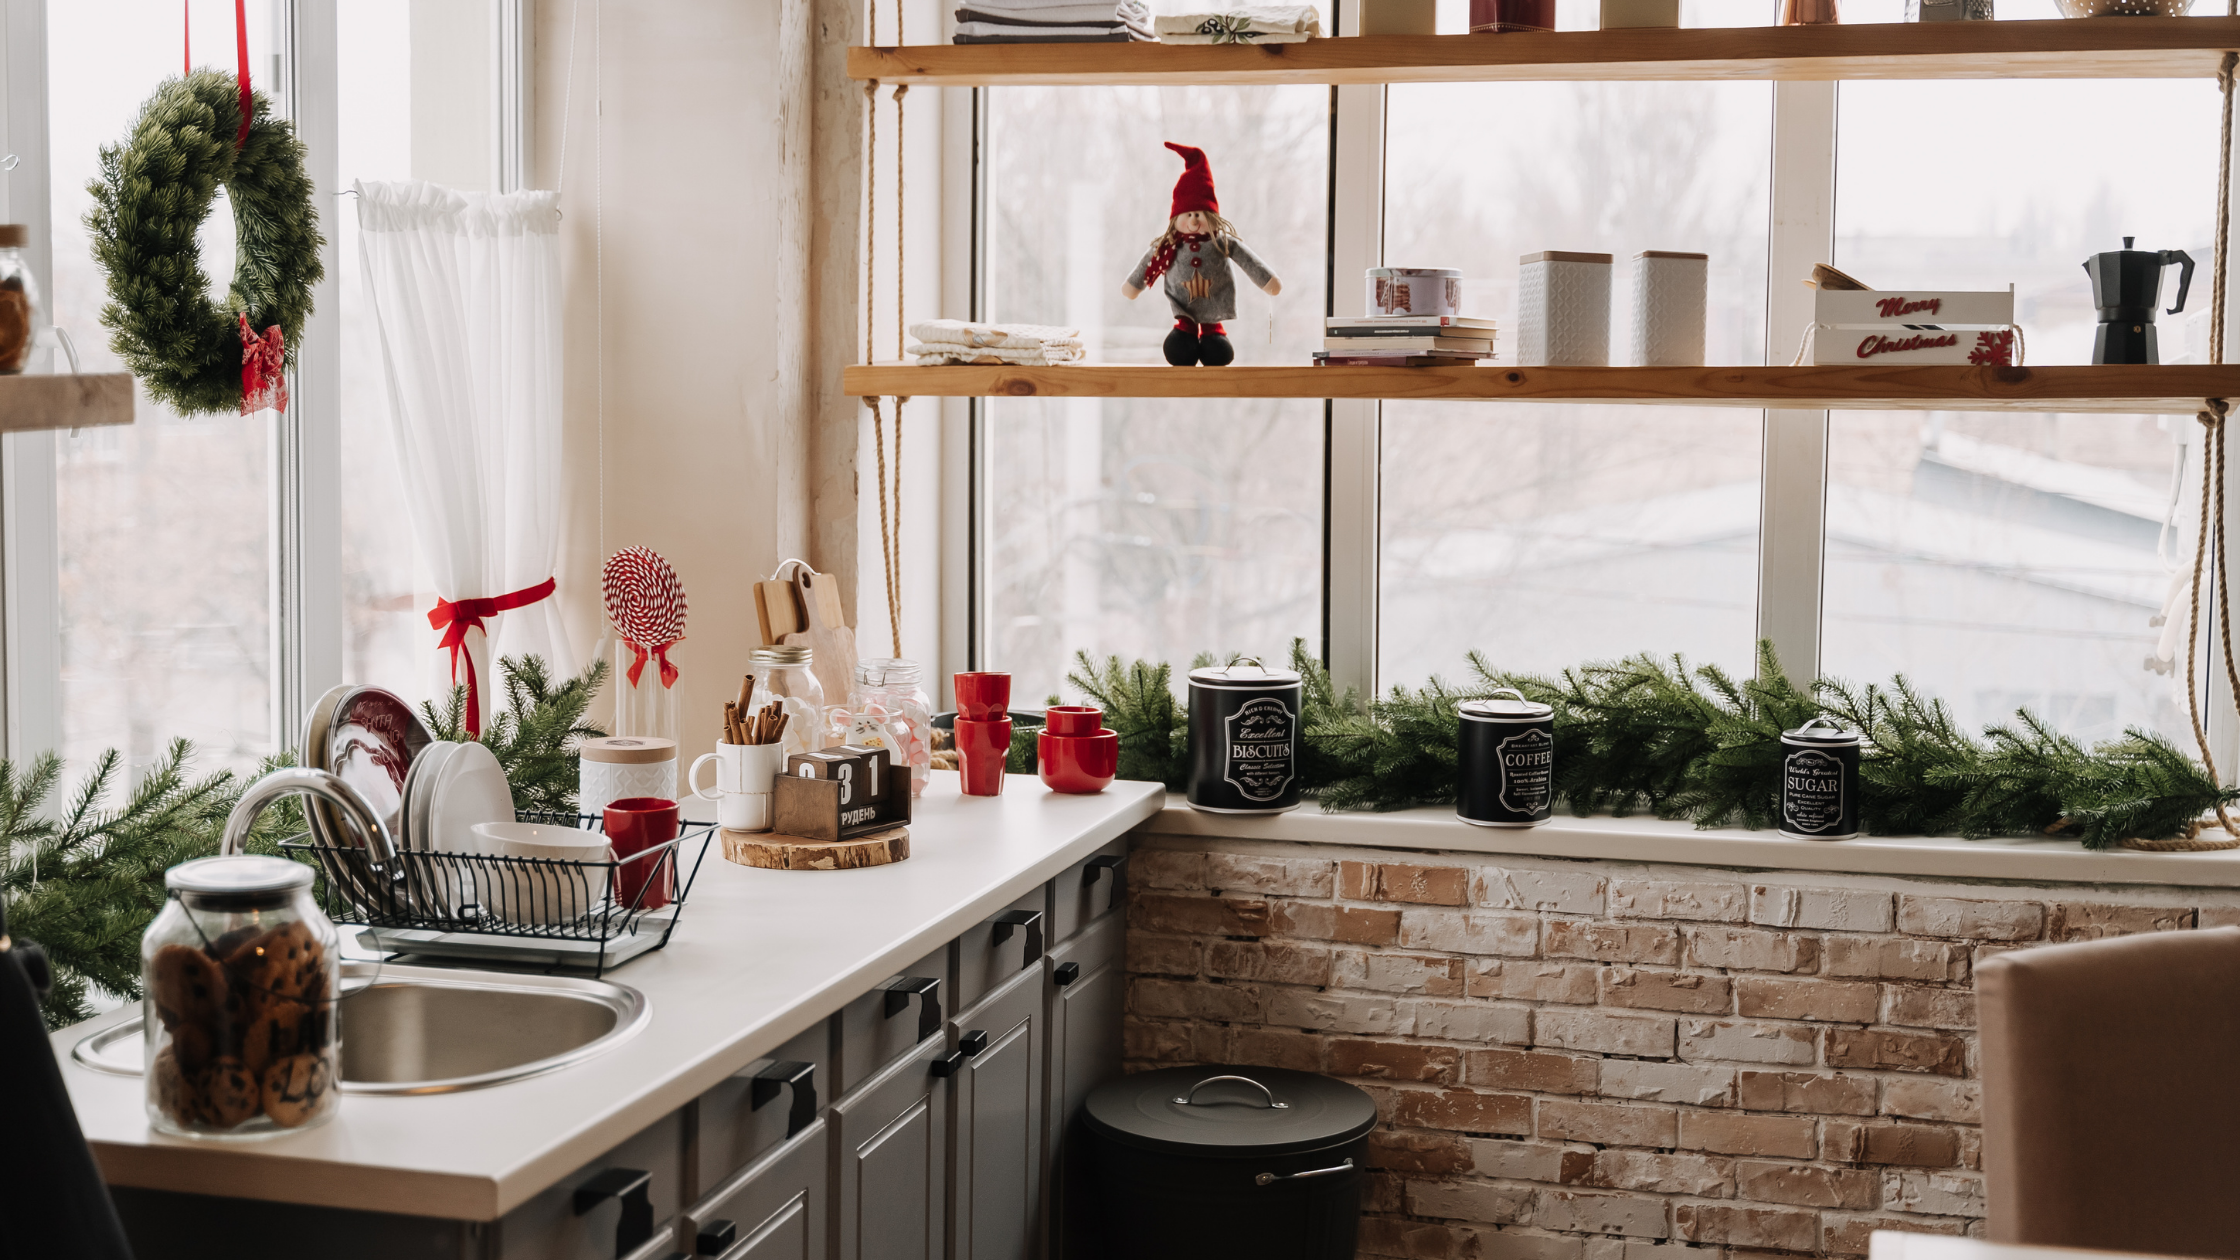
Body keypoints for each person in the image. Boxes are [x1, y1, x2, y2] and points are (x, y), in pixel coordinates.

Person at [1122, 143, 1282, 367]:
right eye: (1188, 214)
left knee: (1217, 351)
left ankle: (1213, 334)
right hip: (1182, 307)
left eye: (1199, 214)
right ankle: (1185, 334)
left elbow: (1248, 261)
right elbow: (1148, 262)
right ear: (1175, 218)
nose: (1194, 221)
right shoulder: (1169, 245)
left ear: (1212, 216)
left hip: (1215, 303)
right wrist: (1133, 285)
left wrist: (1267, 281)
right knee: (1180, 349)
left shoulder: (1223, 243)